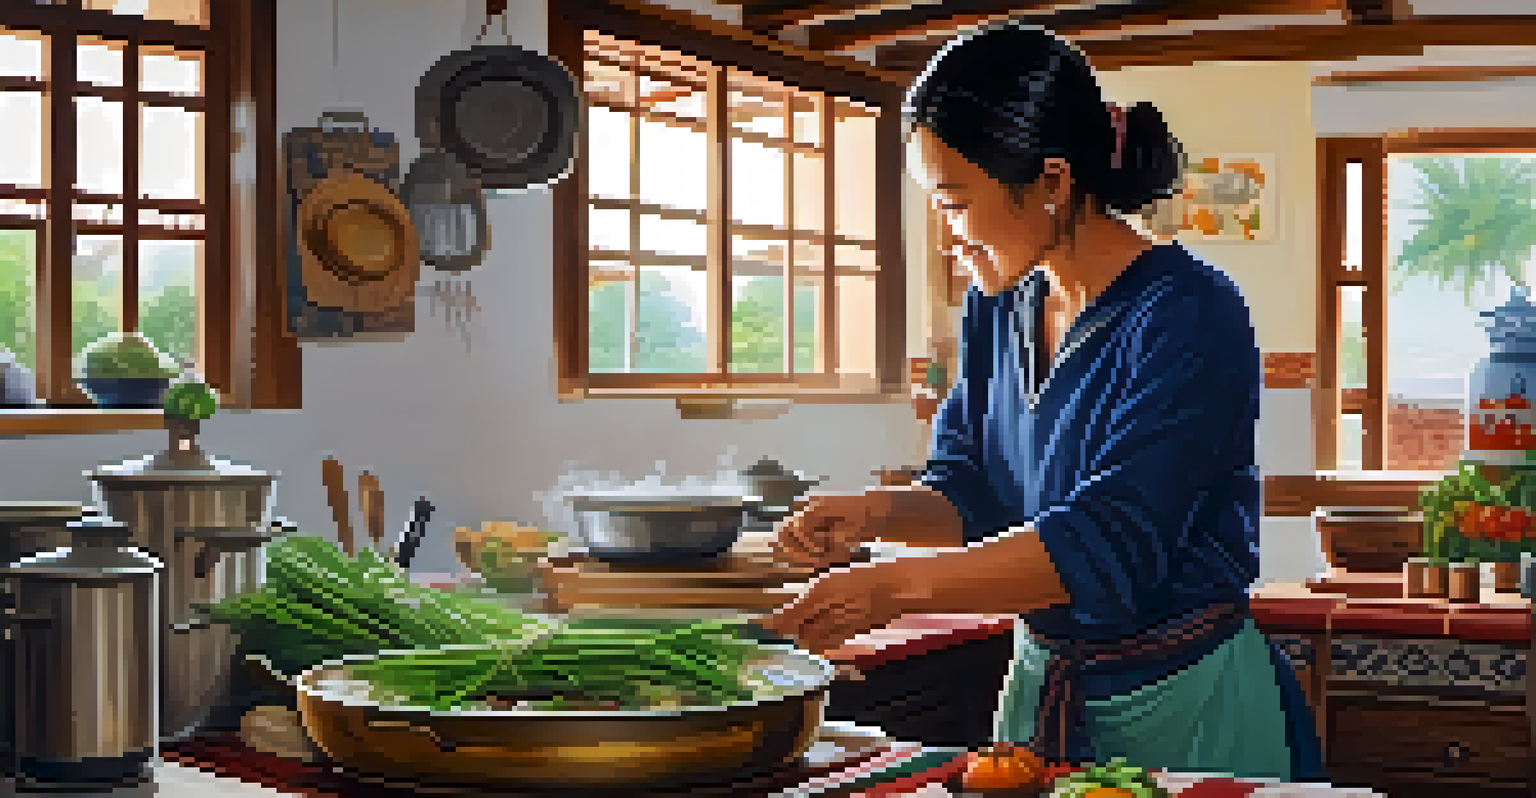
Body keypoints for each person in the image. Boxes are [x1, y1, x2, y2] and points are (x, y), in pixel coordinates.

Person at [759, 21, 1325, 783]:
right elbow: (972, 490)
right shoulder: (997, 306)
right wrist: (876, 514)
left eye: (955, 200)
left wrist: (888, 588)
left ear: (1055, 182)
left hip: (1186, 704)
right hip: (1038, 694)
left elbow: (1110, 544)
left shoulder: (1191, 314)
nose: (946, 230)